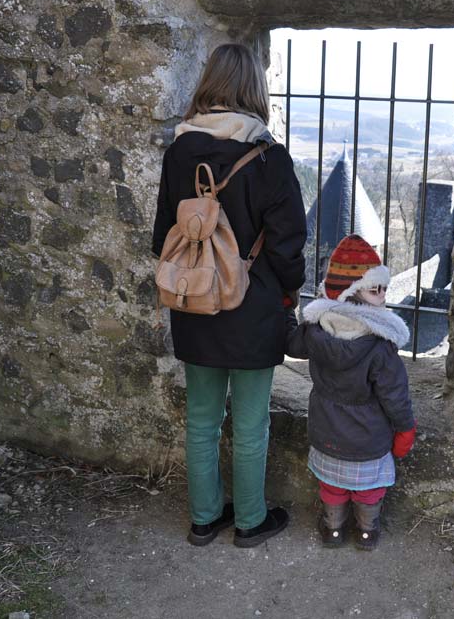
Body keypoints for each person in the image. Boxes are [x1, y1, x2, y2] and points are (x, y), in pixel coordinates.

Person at [151, 43, 306, 548]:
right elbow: (287, 243)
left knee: (202, 419)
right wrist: (290, 290)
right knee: (251, 422)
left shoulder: (179, 152)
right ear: (255, 90)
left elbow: (162, 238)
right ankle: (250, 521)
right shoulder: (269, 158)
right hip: (253, 306)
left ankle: (203, 519)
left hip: (193, 298)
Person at [287, 234, 416, 550]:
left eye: (383, 288)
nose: (383, 294)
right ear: (350, 292)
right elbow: (395, 395)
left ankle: (333, 529)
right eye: (375, 289)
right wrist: (405, 428)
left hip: (326, 431)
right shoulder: (380, 346)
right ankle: (366, 532)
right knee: (368, 489)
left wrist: (290, 311)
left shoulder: (315, 331)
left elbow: (291, 345)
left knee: (332, 485)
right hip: (368, 437)